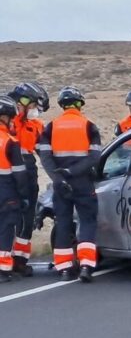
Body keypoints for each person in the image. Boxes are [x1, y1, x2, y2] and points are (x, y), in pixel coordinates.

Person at [37, 86, 102, 282]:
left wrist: (59, 177)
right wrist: (73, 171)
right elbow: (94, 157)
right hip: (83, 182)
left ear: (62, 105)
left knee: (63, 223)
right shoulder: (89, 125)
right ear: (80, 104)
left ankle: (65, 269)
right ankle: (86, 266)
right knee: (88, 222)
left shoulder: (51, 127)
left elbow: (45, 157)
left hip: (61, 184)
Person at [8, 82, 48, 276]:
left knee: (27, 219)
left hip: (29, 176)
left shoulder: (37, 126)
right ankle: (6, 260)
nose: (34, 111)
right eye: (33, 106)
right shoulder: (7, 122)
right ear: (22, 103)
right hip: (7, 177)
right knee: (8, 220)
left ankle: (20, 261)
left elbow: (45, 154)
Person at [0, 95, 32, 283]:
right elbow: (20, 173)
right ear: (5, 117)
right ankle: (3, 269)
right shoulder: (10, 141)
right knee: (6, 228)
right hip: (6, 191)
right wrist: (24, 195)